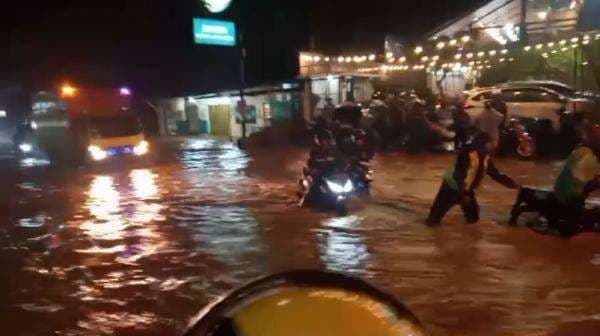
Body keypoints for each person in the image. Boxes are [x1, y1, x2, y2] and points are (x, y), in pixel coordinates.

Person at [426, 132, 520, 226]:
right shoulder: (467, 153)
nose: (495, 145)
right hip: (452, 188)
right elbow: (459, 174)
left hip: (467, 190)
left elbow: (494, 173)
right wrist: (463, 194)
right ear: (484, 143)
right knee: (434, 218)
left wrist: (511, 184)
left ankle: (466, 237)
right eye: (492, 142)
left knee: (473, 218)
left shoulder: (485, 155)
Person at [548, 124, 600, 234]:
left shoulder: (581, 150)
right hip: (570, 201)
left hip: (560, 194)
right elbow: (583, 184)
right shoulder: (588, 157)